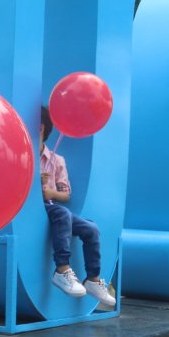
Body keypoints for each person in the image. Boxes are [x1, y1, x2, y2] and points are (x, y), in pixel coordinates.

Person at [40, 107, 116, 306]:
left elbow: (65, 194)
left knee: (91, 228)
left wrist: (50, 193)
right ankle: (62, 270)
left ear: (40, 129)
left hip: (51, 206)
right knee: (62, 214)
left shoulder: (57, 161)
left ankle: (92, 279)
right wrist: (34, 184)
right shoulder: (24, 157)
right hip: (34, 210)